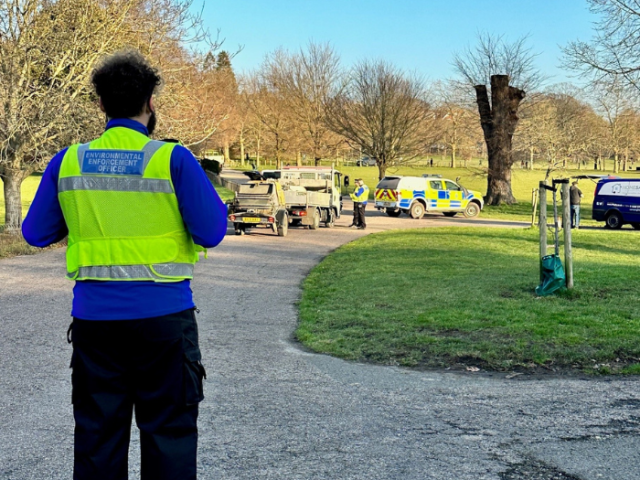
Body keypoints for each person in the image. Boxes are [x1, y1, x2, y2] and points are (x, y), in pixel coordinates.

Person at [22, 50, 228, 480]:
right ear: (150, 103)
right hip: (165, 323)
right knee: (169, 436)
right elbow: (210, 232)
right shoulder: (172, 160)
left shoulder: (68, 162)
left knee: (98, 439)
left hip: (96, 324)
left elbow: (36, 234)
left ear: (100, 104)